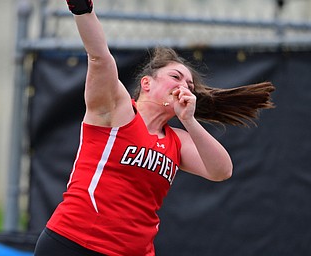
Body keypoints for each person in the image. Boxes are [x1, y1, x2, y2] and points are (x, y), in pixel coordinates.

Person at [34, 1, 275, 255]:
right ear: (147, 83)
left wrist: (190, 120)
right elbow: (99, 57)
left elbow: (222, 170)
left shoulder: (178, 140)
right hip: (75, 242)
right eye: (176, 77)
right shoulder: (118, 110)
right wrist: (83, 8)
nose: (184, 86)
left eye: (190, 85)